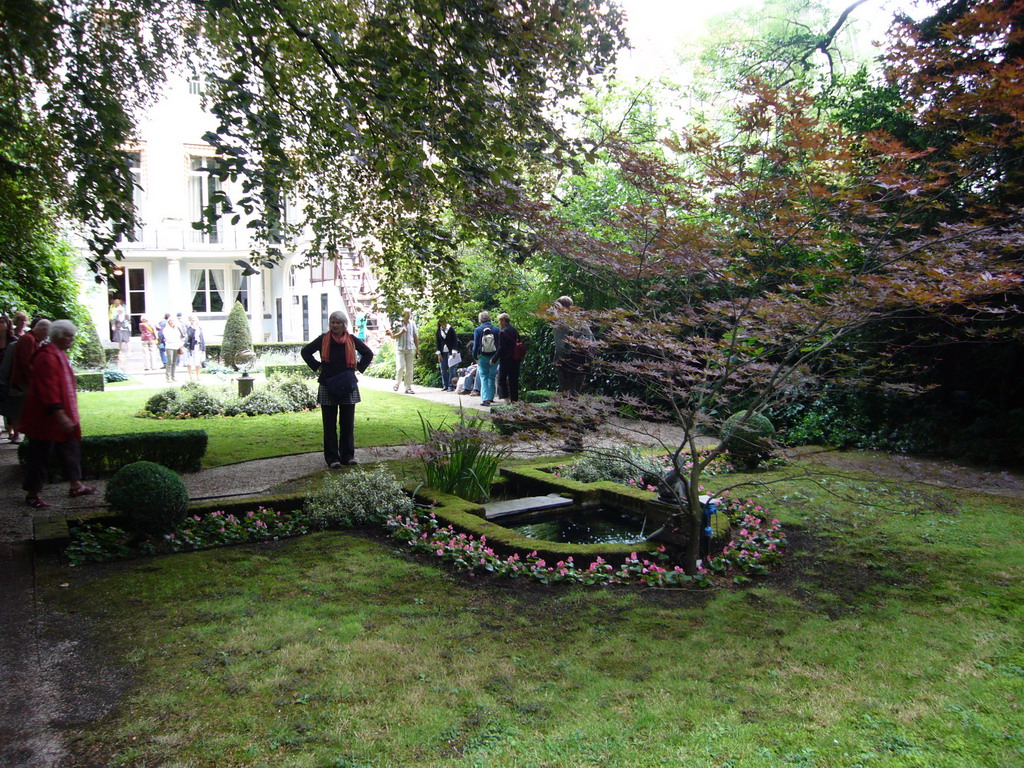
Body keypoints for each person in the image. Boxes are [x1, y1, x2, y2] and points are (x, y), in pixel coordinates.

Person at [20, 320, 96, 508]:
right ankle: (32, 494)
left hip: (59, 415)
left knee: (70, 449)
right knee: (40, 455)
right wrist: (60, 415)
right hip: (46, 417)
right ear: (58, 337)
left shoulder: (58, 354)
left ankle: (75, 485)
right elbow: (48, 389)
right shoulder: (47, 357)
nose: (72, 339)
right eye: (69, 335)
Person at [302, 311, 374, 468]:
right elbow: (305, 352)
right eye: (332, 322)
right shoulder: (323, 339)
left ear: (344, 324)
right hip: (328, 385)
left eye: (338, 323)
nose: (335, 325)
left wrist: (359, 366)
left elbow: (368, 353)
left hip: (348, 386)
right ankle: (332, 458)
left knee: (347, 424)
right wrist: (317, 365)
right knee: (329, 425)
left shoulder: (352, 340)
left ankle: (348, 456)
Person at [2, 318, 50, 443]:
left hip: (23, 380)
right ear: (42, 329)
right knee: (19, 408)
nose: (46, 337)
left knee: (21, 407)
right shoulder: (28, 340)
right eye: (46, 333)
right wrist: (35, 379)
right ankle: (20, 435)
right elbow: (26, 362)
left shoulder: (31, 339)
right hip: (22, 381)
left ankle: (24, 434)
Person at [552, 295, 594, 395]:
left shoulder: (561, 323)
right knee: (576, 394)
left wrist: (558, 361)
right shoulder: (581, 321)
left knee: (567, 394)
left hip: (567, 363)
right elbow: (592, 340)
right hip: (582, 362)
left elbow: (560, 346)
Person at [387, 308, 418, 394]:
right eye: (406, 315)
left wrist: (418, 349)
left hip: (410, 348)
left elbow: (415, 337)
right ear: (403, 315)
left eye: (409, 315)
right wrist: (401, 332)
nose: (408, 317)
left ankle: (408, 387)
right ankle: (397, 383)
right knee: (400, 367)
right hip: (400, 349)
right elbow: (392, 336)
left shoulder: (412, 324)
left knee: (410, 369)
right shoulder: (397, 324)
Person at [472, 311, 499, 406]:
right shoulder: (496, 329)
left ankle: (485, 399)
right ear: (489, 318)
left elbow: (475, 346)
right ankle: (491, 397)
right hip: (494, 356)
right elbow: (499, 345)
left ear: (480, 319)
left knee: (484, 377)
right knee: (491, 376)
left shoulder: (478, 330)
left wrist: (475, 357)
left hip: (482, 356)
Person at [494, 312, 522, 403]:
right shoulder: (515, 330)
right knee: (513, 380)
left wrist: (494, 359)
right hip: (516, 358)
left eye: (499, 321)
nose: (498, 323)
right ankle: (515, 401)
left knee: (501, 379)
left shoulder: (502, 332)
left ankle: (506, 400)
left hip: (506, 359)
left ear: (503, 321)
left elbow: (501, 348)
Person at [435, 317, 459, 392]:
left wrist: (454, 351)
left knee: (452, 369)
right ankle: (445, 385)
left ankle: (451, 385)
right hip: (443, 352)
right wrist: (439, 353)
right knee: (443, 369)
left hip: (451, 351)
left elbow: (455, 340)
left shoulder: (451, 329)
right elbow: (438, 343)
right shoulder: (438, 331)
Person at [162, 315, 186, 383]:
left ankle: (173, 376)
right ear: (168, 322)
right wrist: (176, 341)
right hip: (170, 347)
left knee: (174, 362)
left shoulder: (176, 329)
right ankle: (168, 377)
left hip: (176, 346)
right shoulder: (166, 329)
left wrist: (180, 344)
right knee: (169, 362)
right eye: (170, 321)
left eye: (173, 321)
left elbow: (179, 337)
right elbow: (168, 338)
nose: (172, 322)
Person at [184, 315, 206, 381]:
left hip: (198, 346)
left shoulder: (199, 328)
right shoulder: (189, 328)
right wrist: (193, 328)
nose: (194, 321)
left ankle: (198, 376)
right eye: (192, 320)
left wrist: (203, 348)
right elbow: (189, 336)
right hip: (191, 347)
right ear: (190, 321)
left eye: (195, 320)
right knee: (189, 362)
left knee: (197, 362)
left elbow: (202, 338)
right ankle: (190, 376)